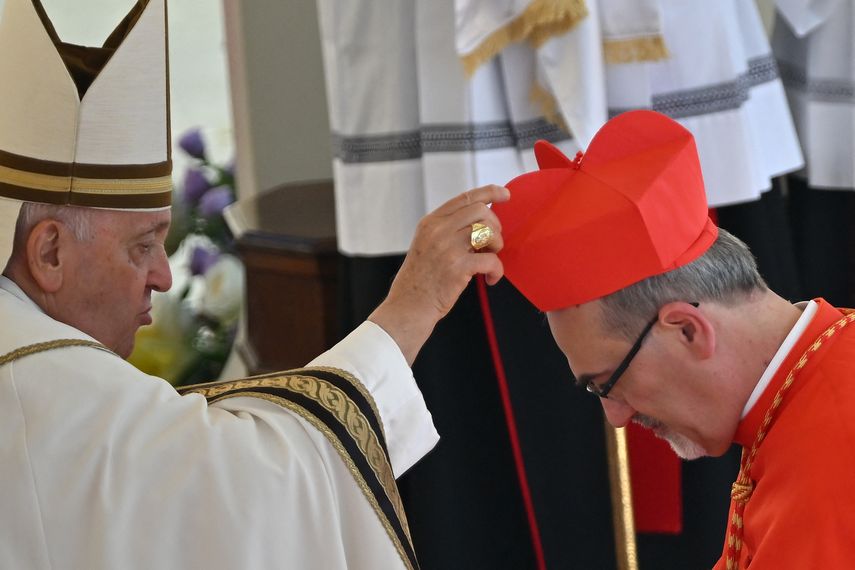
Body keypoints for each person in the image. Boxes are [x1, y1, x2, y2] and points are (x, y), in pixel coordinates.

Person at [0, 1, 507, 569]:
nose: (164, 276)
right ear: (49, 252)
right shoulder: (33, 386)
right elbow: (251, 486)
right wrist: (413, 307)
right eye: (142, 246)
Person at [492, 109, 855, 569]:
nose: (617, 417)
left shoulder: (833, 452)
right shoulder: (804, 385)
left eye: (608, 382)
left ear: (687, 329)